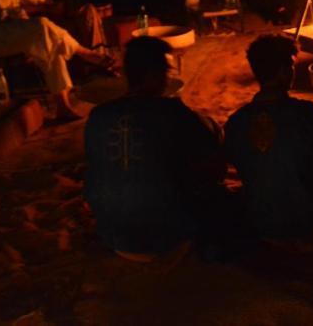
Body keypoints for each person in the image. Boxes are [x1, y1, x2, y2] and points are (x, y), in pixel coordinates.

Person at [85, 35, 229, 259]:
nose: (169, 79)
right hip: (169, 239)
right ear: (154, 76)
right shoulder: (173, 112)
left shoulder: (98, 116)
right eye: (168, 72)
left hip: (115, 237)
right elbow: (214, 161)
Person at [224, 35, 313, 249]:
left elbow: (239, 164)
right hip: (306, 221)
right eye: (291, 65)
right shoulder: (306, 113)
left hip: (259, 220)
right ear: (283, 72)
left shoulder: (236, 121)